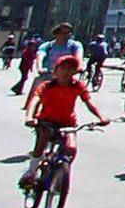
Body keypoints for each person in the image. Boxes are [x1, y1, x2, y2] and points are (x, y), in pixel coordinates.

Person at [21, 52, 110, 189]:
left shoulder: (77, 86)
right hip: (46, 121)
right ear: (56, 70)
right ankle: (31, 171)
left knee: (71, 148)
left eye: (71, 68)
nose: (67, 72)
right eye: (63, 68)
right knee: (44, 138)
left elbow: (89, 103)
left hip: (68, 123)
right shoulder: (46, 86)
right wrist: (29, 117)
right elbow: (35, 101)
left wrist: (101, 117)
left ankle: (60, 174)